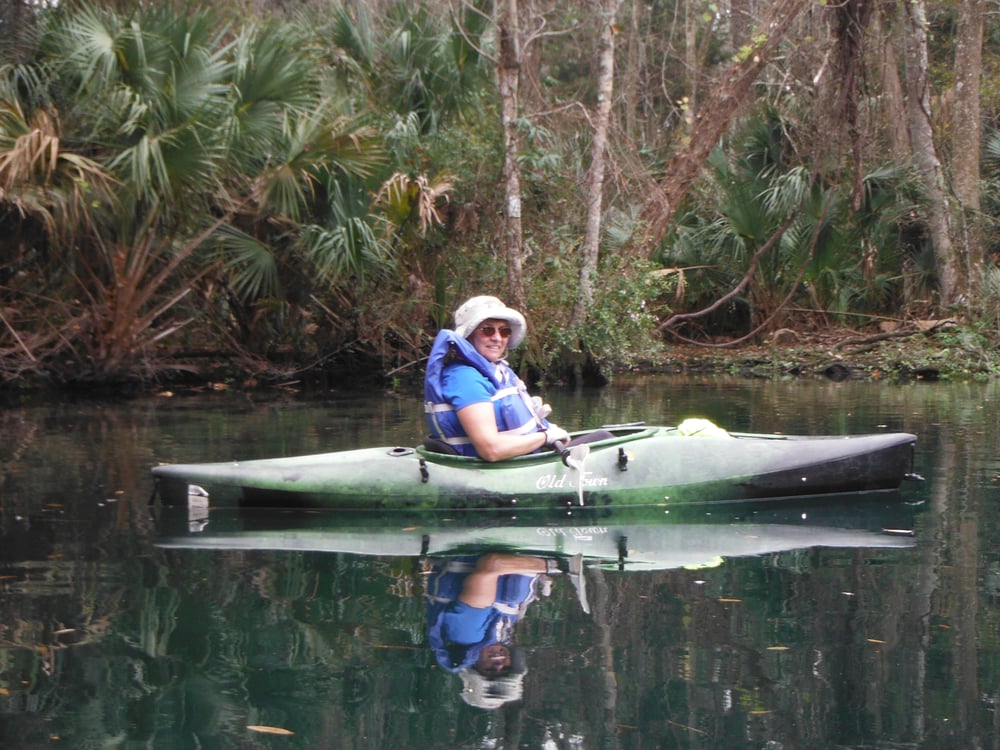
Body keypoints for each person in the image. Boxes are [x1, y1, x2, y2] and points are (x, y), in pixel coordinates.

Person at [425, 552, 587, 710]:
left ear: (473, 665)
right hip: (518, 547)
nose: (499, 663)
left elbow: (492, 564)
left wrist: (554, 566)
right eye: (506, 669)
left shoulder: (466, 633)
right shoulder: (500, 634)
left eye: (490, 669)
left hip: (476, 542)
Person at [424, 295, 571, 461]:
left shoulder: (499, 371)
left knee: (603, 436)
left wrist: (547, 430)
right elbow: (491, 450)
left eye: (504, 331)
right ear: (469, 335)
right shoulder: (465, 379)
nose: (497, 338)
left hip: (523, 459)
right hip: (491, 470)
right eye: (487, 330)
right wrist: (546, 437)